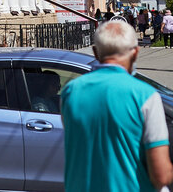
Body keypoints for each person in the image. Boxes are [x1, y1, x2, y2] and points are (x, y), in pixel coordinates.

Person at [61, 19, 173, 192]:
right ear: (135, 53)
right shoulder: (145, 96)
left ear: (95, 53)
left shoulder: (70, 92)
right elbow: (160, 176)